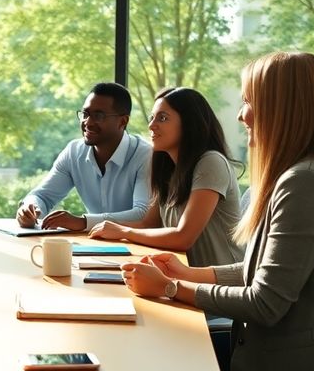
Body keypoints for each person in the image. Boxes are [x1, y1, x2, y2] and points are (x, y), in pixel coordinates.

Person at [121, 52, 314, 371]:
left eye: (249, 101)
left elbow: (265, 303)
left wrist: (170, 288)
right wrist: (184, 274)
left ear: (284, 109)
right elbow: (262, 272)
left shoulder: (307, 183)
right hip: (297, 363)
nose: (241, 114)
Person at [89, 87, 243, 267]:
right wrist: (103, 229)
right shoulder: (169, 168)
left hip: (220, 285)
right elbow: (149, 224)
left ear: (189, 123)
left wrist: (124, 231)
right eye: (152, 117)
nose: (151, 125)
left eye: (162, 118)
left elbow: (183, 237)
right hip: (184, 277)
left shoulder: (211, 162)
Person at [16, 82, 151, 231]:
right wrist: (29, 208)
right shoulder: (74, 152)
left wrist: (83, 222)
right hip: (95, 245)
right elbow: (42, 196)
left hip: (137, 246)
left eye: (98, 116)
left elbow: (143, 214)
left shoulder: (145, 156)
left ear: (123, 121)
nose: (88, 122)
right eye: (85, 114)